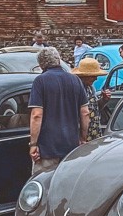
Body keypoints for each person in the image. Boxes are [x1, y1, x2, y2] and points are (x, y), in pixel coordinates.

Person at [28, 47, 88, 175]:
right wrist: (83, 138)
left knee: (44, 186)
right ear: (59, 60)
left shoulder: (40, 81)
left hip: (47, 149)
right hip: (71, 147)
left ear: (41, 64)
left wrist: (33, 144)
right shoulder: (75, 80)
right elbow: (85, 112)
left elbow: (37, 115)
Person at [71, 58, 108, 139]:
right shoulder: (76, 89)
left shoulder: (91, 88)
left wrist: (104, 100)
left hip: (94, 131)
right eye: (93, 76)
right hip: (82, 134)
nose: (96, 79)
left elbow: (95, 107)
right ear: (84, 76)